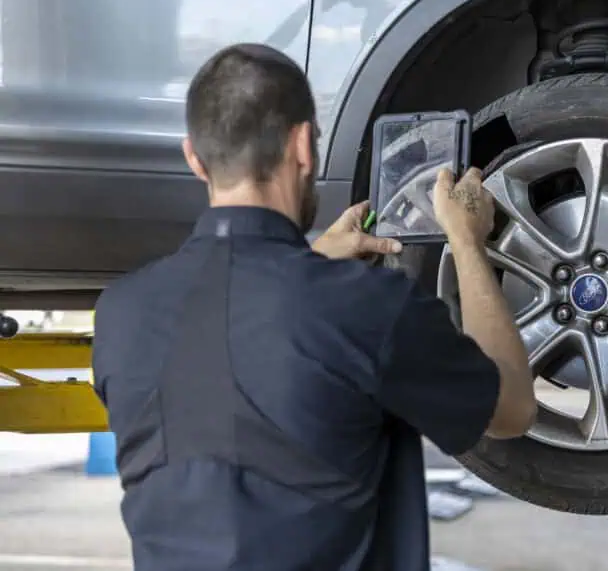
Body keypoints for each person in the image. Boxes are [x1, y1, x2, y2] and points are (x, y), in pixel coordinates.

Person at [90, 42, 538, 571]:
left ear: (194, 157)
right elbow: (510, 408)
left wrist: (313, 264)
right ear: (303, 145)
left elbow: (241, 356)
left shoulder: (121, 313)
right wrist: (467, 241)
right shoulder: (366, 306)